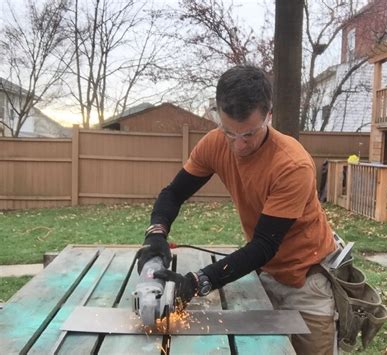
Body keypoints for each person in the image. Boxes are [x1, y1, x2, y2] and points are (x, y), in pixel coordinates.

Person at [137, 65, 338, 355]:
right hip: (264, 274)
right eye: (229, 132)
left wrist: (197, 282)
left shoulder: (292, 164)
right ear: (217, 114)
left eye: (249, 134)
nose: (239, 144)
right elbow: (174, 193)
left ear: (269, 115)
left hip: (307, 281)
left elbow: (265, 244)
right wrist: (156, 234)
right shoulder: (215, 143)